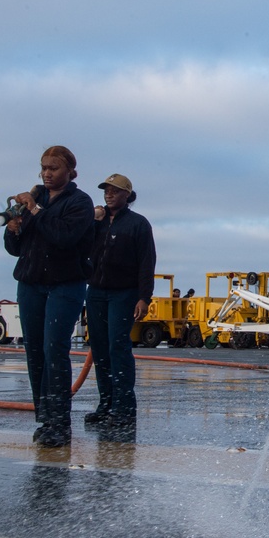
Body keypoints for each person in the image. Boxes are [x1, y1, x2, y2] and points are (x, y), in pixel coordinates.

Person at [4, 145, 95, 448]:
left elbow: (63, 237)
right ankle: (44, 418)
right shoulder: (35, 200)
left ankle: (60, 422)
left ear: (70, 172)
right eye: (43, 167)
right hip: (30, 284)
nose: (46, 173)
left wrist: (34, 211)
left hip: (64, 285)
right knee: (35, 352)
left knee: (54, 349)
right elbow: (15, 250)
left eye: (53, 168)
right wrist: (14, 229)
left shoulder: (79, 203)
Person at [84, 173, 156, 431]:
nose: (109, 194)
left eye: (115, 190)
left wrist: (144, 297)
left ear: (127, 195)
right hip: (96, 291)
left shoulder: (138, 224)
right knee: (100, 349)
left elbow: (147, 263)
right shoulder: (98, 222)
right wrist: (92, 222)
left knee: (118, 348)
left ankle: (124, 409)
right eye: (106, 190)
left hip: (123, 293)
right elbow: (81, 246)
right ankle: (106, 405)